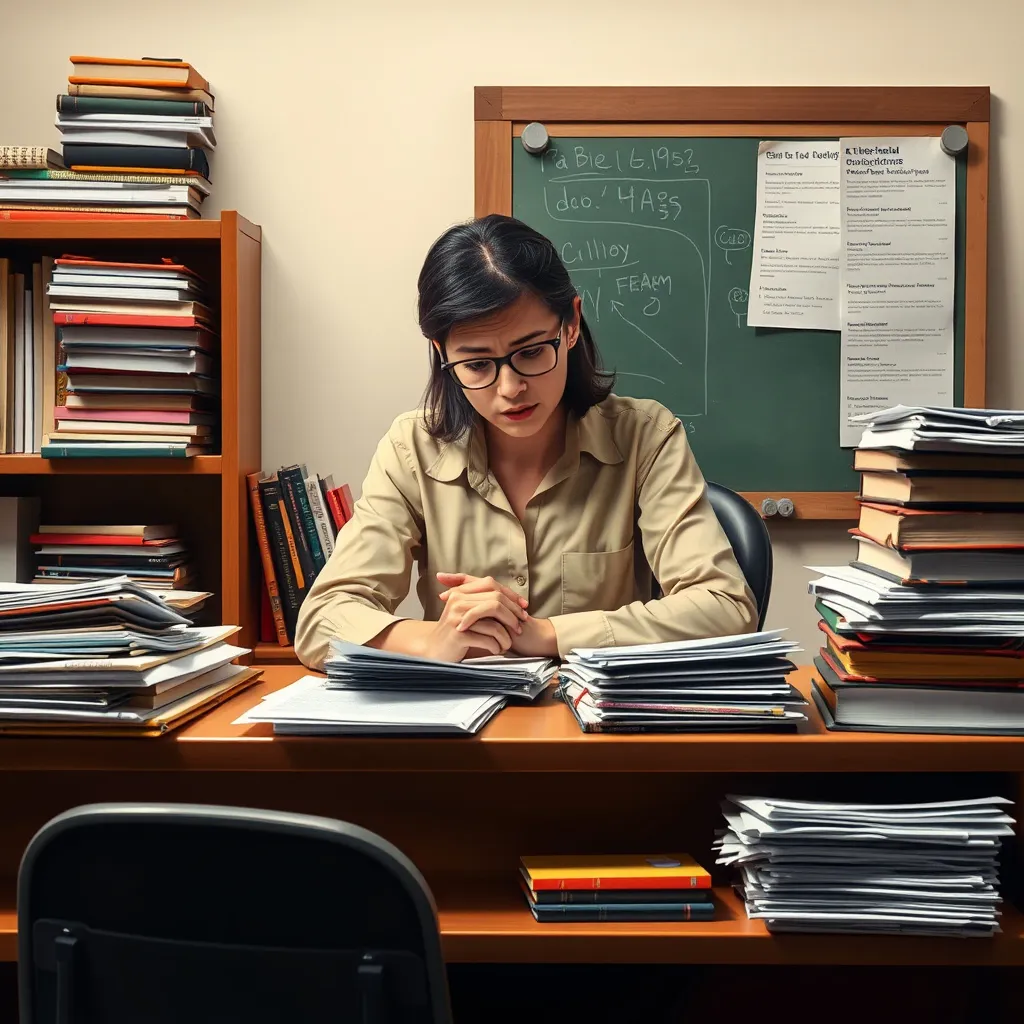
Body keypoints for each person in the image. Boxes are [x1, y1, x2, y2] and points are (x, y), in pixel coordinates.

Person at [294, 214, 757, 670]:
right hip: (459, 731)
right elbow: (320, 621)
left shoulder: (645, 437)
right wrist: (432, 640)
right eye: (477, 365)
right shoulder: (412, 448)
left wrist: (546, 634)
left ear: (570, 325)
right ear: (442, 353)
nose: (510, 387)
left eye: (532, 351)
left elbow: (726, 608)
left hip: (598, 729)